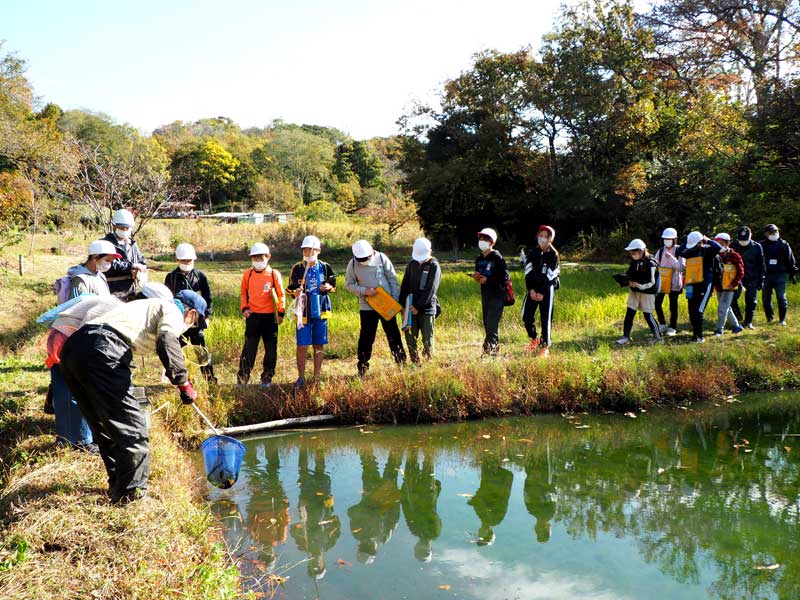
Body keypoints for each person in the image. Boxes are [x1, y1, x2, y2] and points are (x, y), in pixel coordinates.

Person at [60, 291, 206, 504]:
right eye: (194, 324)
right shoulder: (172, 310)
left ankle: (119, 487)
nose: (189, 328)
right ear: (191, 314)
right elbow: (167, 339)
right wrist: (183, 382)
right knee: (133, 430)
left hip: (73, 349)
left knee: (104, 427)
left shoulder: (145, 306)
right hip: (104, 348)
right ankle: (133, 495)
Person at [345, 239, 406, 376]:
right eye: (360, 259)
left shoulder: (382, 258)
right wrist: (364, 291)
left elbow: (392, 279)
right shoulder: (353, 264)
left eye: (365, 258)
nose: (363, 260)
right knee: (366, 337)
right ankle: (362, 367)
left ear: (371, 251)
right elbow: (349, 284)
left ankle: (401, 363)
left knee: (393, 335)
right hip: (367, 307)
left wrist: (394, 301)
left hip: (386, 305)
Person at [286, 235, 336, 389]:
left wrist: (328, 288)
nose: (308, 252)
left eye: (312, 249)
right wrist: (295, 292)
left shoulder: (325, 267)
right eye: (306, 249)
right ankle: (301, 378)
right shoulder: (297, 268)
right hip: (303, 313)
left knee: (318, 345)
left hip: (321, 311)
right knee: (302, 345)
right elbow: (289, 288)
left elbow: (333, 285)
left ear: (318, 250)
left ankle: (316, 377)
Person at [165, 243, 217, 383]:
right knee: (179, 352)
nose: (187, 263)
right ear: (177, 260)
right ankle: (185, 381)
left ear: (194, 260)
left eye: (189, 261)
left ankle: (210, 380)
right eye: (184, 261)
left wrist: (208, 316)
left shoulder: (200, 276)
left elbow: (208, 298)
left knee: (201, 351)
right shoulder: (171, 277)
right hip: (179, 322)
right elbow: (167, 299)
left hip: (196, 321)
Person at [237, 243, 285, 387]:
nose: (257, 260)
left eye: (260, 257)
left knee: (271, 349)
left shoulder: (273, 274)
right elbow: (243, 292)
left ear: (268, 257)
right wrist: (244, 308)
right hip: (253, 317)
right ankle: (242, 378)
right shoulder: (248, 274)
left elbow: (281, 295)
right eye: (255, 258)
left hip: (270, 318)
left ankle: (267, 377)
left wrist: (281, 312)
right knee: (249, 349)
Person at [398, 238, 441, 364]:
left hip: (427, 309)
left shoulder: (434, 266)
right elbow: (405, 285)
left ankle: (428, 362)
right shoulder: (412, 264)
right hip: (409, 307)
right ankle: (415, 363)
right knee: (410, 336)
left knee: (427, 339)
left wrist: (418, 307)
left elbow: (431, 289)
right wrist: (402, 306)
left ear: (430, 251)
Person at [676, 231, 723, 343]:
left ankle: (699, 336)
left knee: (699, 310)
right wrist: (688, 241)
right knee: (691, 310)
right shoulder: (689, 251)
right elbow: (678, 251)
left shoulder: (708, 250)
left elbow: (718, 248)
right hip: (691, 284)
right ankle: (695, 334)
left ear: (700, 242)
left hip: (705, 284)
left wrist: (706, 239)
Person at [522, 225, 560, 356]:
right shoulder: (533, 253)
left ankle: (545, 346)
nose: (542, 238)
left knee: (546, 319)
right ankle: (534, 339)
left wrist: (542, 292)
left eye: (545, 236)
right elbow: (527, 271)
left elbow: (552, 275)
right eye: (541, 235)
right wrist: (531, 290)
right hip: (532, 289)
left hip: (546, 290)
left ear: (550, 239)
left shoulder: (554, 255)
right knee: (526, 316)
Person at [471, 227, 509, 356]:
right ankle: (494, 350)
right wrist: (477, 277)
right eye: (480, 238)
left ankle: (487, 352)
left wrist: (488, 280)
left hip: (497, 295)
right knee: (487, 324)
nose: (482, 241)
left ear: (492, 242)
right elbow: (482, 276)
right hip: (485, 294)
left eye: (485, 239)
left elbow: (504, 278)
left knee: (492, 324)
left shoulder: (497, 257)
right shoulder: (479, 259)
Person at [616, 239, 661, 345]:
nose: (632, 255)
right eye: (630, 253)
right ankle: (625, 337)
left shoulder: (651, 263)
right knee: (629, 313)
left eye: (634, 253)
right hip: (634, 292)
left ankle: (658, 337)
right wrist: (623, 282)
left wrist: (639, 285)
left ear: (641, 251)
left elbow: (651, 282)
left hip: (648, 292)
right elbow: (629, 274)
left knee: (648, 315)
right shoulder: (634, 261)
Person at [103, 208, 147, 301]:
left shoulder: (132, 244)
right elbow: (109, 265)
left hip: (130, 289)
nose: (124, 230)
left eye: (127, 228)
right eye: (121, 227)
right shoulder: (105, 244)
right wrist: (132, 266)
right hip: (112, 288)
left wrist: (140, 269)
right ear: (114, 226)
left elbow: (141, 260)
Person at [760, 224, 797, 325]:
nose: (774, 234)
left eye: (776, 231)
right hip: (766, 276)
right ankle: (769, 318)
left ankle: (782, 320)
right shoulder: (761, 245)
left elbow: (790, 260)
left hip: (779, 275)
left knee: (781, 297)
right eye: (771, 232)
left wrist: (792, 273)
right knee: (766, 299)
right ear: (766, 233)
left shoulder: (784, 245)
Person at [731, 226, 766, 329]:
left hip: (752, 278)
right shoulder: (733, 245)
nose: (743, 242)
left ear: (750, 236)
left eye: (745, 239)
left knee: (751, 301)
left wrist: (761, 280)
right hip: (736, 278)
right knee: (732, 300)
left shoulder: (757, 246)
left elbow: (761, 264)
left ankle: (748, 322)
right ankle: (738, 319)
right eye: (741, 239)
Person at [653, 227, 685, 336]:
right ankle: (662, 324)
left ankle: (672, 327)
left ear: (675, 239)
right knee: (657, 303)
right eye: (665, 239)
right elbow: (655, 263)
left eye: (669, 239)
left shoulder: (679, 250)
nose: (667, 241)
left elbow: (681, 268)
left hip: (674, 284)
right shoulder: (661, 250)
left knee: (673, 305)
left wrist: (671, 258)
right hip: (662, 282)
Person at [712, 233, 745, 337]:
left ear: (728, 243)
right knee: (726, 307)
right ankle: (737, 326)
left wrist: (733, 283)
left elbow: (741, 272)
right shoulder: (716, 256)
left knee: (722, 308)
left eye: (721, 243)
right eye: (717, 244)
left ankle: (719, 329)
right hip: (719, 286)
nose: (719, 246)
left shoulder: (735, 256)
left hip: (730, 287)